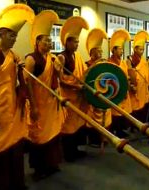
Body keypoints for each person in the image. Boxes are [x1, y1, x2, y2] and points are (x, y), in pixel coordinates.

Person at [0, 4, 34, 190]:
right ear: (1, 34)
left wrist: (21, 70)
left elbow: (17, 82)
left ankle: (14, 183)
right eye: (12, 36)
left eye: (16, 36)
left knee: (14, 148)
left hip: (12, 109)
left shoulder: (13, 55)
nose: (14, 40)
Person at [24, 10, 64, 180]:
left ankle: (51, 164)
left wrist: (58, 70)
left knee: (53, 134)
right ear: (37, 41)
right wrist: (33, 106)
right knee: (39, 137)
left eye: (50, 40)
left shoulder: (52, 59)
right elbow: (27, 84)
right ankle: (39, 169)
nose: (49, 42)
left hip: (51, 103)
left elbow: (59, 79)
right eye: (46, 40)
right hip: (38, 103)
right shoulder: (31, 59)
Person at [57, 16, 89, 162]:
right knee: (68, 126)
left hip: (78, 97)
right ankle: (67, 153)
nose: (77, 44)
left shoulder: (77, 56)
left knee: (76, 125)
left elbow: (82, 74)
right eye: (74, 41)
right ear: (67, 42)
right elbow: (61, 81)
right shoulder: (61, 58)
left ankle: (75, 149)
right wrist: (77, 86)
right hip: (67, 98)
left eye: (78, 41)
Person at [85, 28, 111, 145]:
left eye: (101, 51)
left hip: (104, 93)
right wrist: (95, 65)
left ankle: (105, 138)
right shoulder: (87, 64)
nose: (100, 53)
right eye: (97, 51)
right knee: (92, 119)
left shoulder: (104, 63)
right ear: (91, 53)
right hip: (92, 95)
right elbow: (84, 78)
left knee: (106, 117)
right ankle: (94, 140)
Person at [108, 29, 132, 137]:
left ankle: (121, 130)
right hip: (114, 91)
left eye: (122, 49)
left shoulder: (123, 62)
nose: (122, 51)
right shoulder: (109, 62)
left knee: (123, 111)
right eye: (119, 49)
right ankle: (116, 131)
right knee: (115, 111)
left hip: (123, 90)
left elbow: (126, 75)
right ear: (113, 50)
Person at [127, 30, 149, 125]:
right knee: (135, 106)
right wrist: (133, 85)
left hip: (143, 87)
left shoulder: (144, 61)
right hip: (135, 87)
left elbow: (147, 74)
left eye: (143, 50)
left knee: (143, 106)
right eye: (140, 49)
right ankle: (134, 125)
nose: (141, 51)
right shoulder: (130, 59)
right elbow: (129, 73)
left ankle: (142, 123)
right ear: (135, 49)